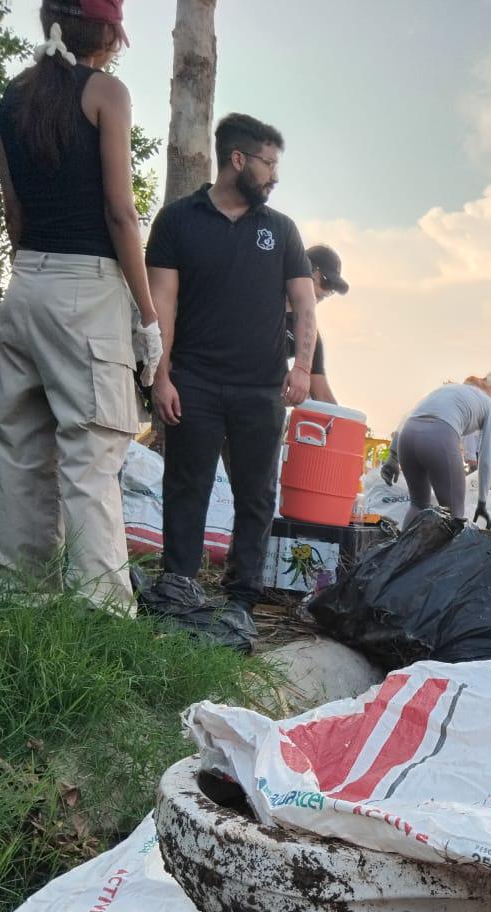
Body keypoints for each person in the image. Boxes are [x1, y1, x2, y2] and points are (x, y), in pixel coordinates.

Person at [0, 0, 160, 614]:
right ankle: (102, 616)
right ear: (109, 31)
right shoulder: (106, 94)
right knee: (92, 455)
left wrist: (30, 272)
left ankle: (23, 602)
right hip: (84, 289)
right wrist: (147, 319)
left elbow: (14, 209)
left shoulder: (12, 98)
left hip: (26, 282)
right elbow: (121, 213)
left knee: (20, 451)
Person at [146, 112, 315, 633]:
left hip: (261, 387)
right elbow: (162, 304)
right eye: (268, 164)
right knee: (186, 487)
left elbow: (305, 307)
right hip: (192, 380)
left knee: (257, 493)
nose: (275, 176)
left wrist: (303, 367)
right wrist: (161, 376)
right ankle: (178, 585)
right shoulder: (177, 220)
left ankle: (241, 596)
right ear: (237, 160)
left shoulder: (281, 229)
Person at [393, 377, 491, 528]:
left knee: (418, 505)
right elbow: (487, 458)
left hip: (407, 436)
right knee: (455, 515)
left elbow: (405, 418)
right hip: (438, 436)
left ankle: (402, 551)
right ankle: (450, 552)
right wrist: (482, 501)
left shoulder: (446, 391)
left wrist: (392, 457)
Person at [285, 243, 348, 405]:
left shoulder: (310, 336)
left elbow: (323, 396)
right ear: (307, 268)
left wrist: (348, 421)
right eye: (327, 283)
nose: (327, 293)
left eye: (332, 289)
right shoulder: (260, 294)